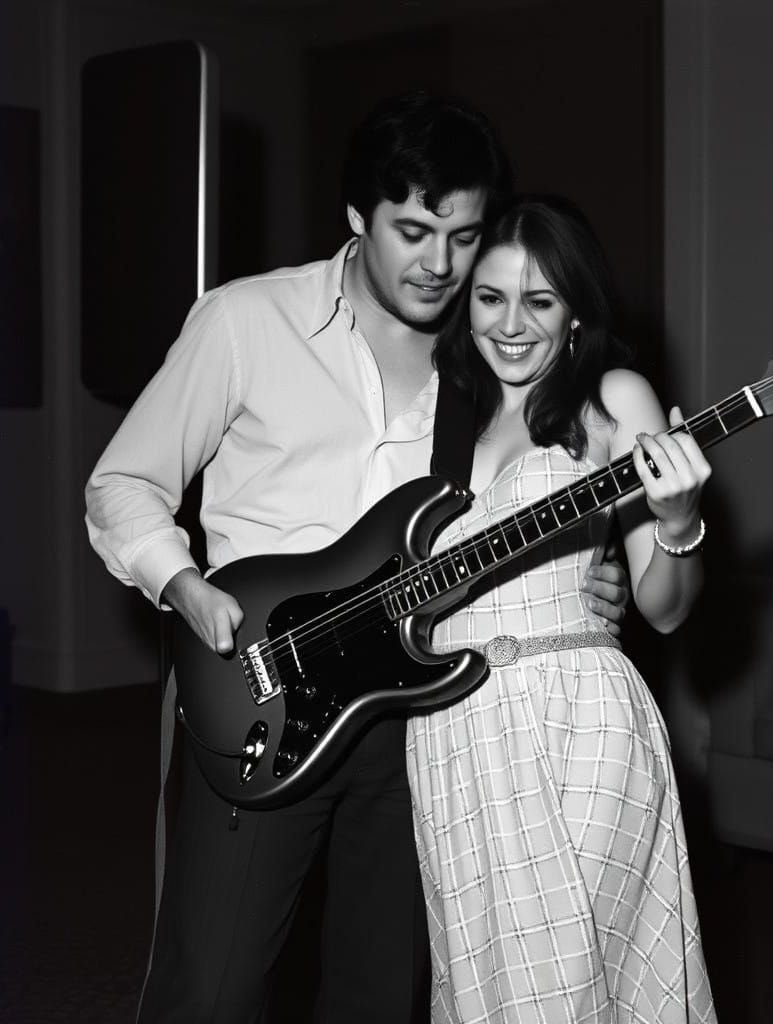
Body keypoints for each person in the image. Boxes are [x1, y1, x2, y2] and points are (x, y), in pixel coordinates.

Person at [85, 94, 629, 1023]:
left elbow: (517, 502)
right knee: (212, 990)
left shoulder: (485, 360)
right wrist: (182, 584)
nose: (440, 264)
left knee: (381, 993)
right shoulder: (246, 321)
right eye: (413, 231)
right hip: (253, 687)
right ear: (355, 216)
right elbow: (122, 483)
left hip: (413, 711)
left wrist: (586, 570)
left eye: (463, 236)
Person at [406, 195, 718, 1022]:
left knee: (575, 984)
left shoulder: (613, 396)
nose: (511, 324)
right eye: (491, 296)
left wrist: (678, 524)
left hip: (577, 717)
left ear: (575, 310)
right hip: (449, 730)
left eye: (539, 301)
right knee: (481, 988)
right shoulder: (436, 410)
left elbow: (664, 609)